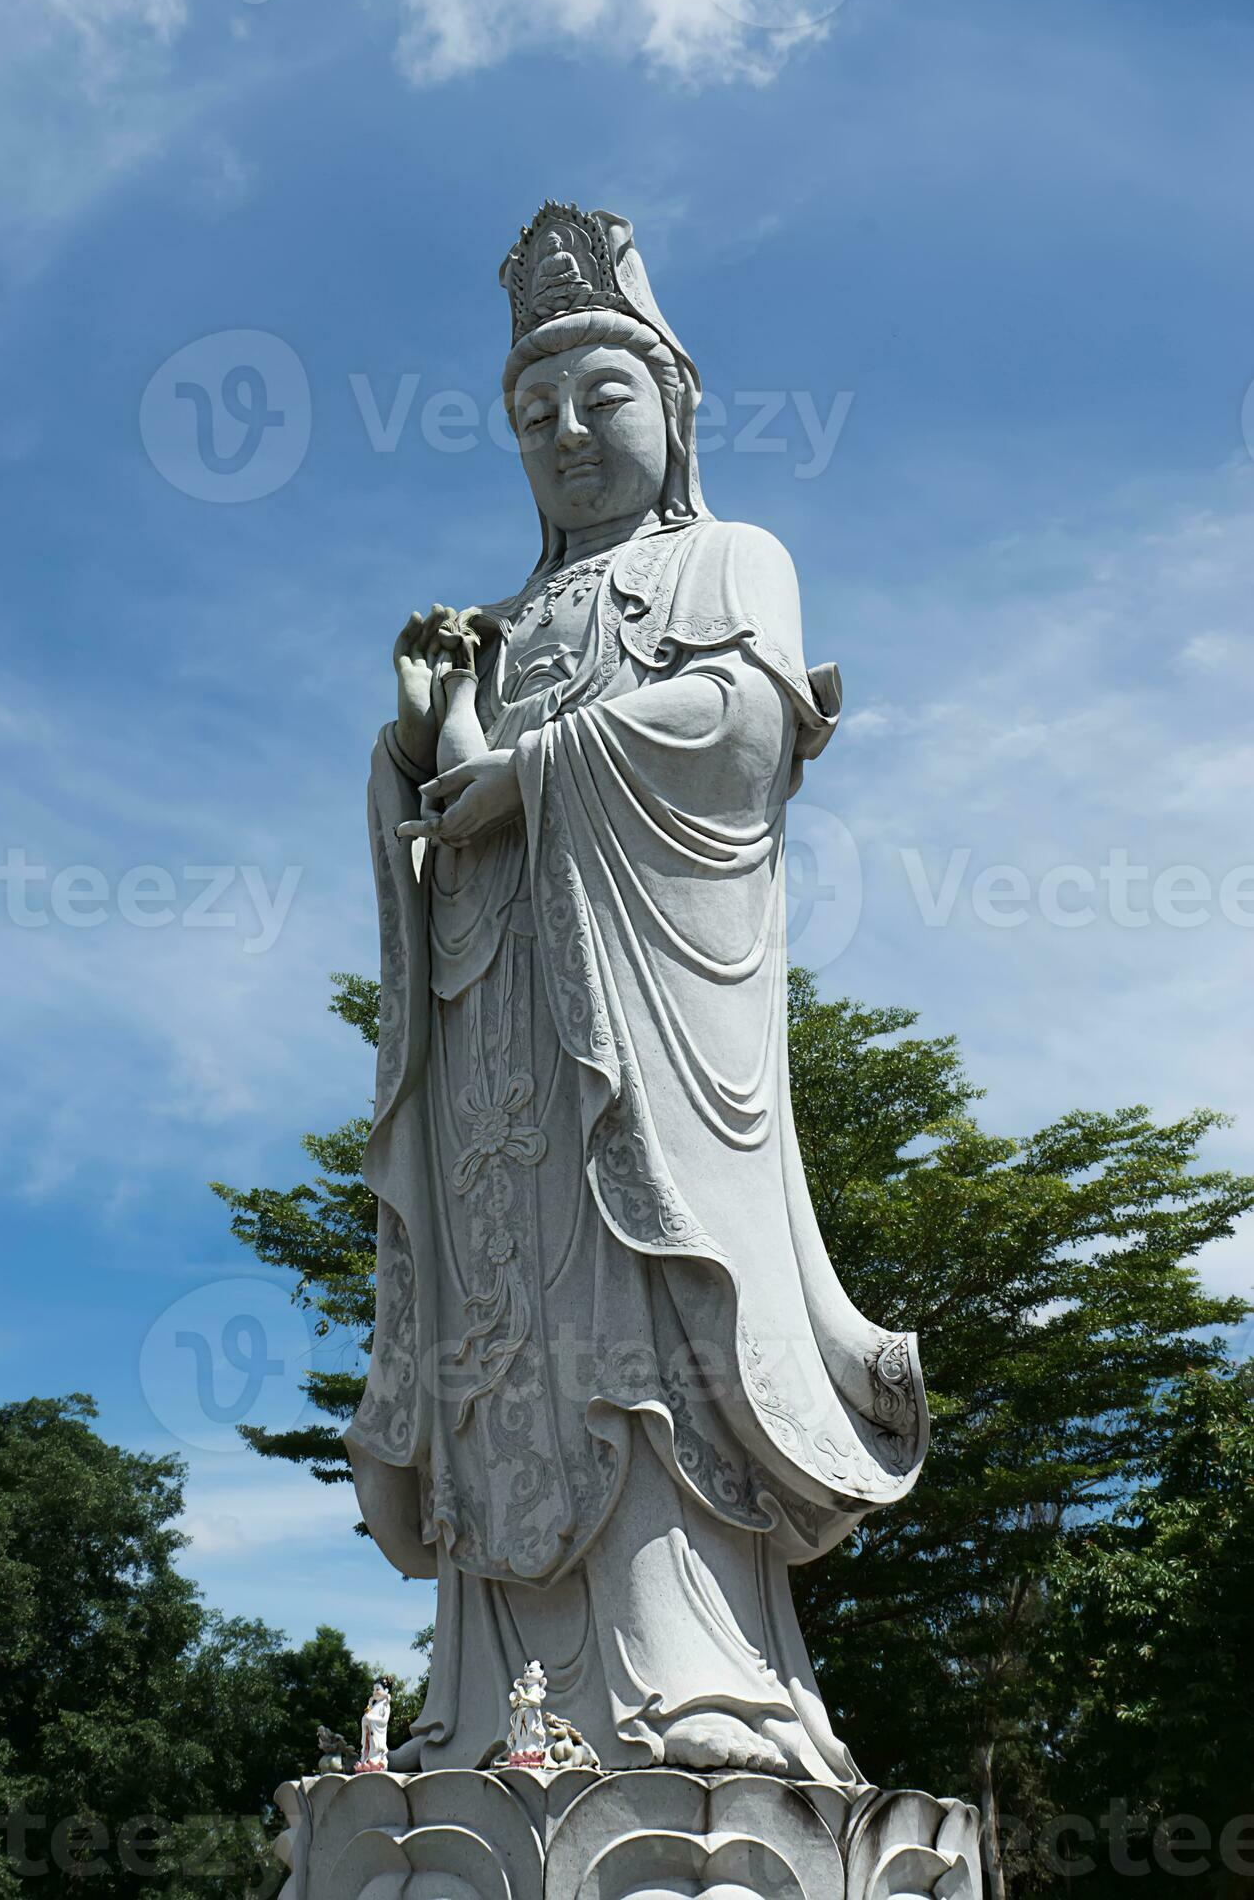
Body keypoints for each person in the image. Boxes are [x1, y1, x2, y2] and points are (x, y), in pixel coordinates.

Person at [345, 203, 927, 1780]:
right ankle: (480, 1714)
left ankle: (699, 1682)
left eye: (600, 398)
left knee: (636, 1323)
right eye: (533, 414)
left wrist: (533, 770)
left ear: (672, 410)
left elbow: (741, 728)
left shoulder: (733, 558)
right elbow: (446, 818)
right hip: (504, 1045)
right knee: (502, 1343)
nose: (565, 434)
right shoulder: (511, 614)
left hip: (646, 1044)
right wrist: (422, 739)